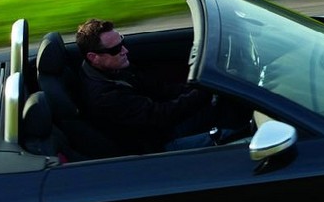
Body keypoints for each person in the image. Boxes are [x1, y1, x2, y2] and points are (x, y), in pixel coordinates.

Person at [75, 18, 218, 154]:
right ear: (93, 57)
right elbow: (160, 115)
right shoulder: (105, 97)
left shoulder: (114, 69)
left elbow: (160, 89)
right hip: (158, 147)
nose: (125, 51)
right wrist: (204, 93)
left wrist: (199, 88)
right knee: (233, 137)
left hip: (164, 128)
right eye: (115, 49)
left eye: (122, 42)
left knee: (223, 105)